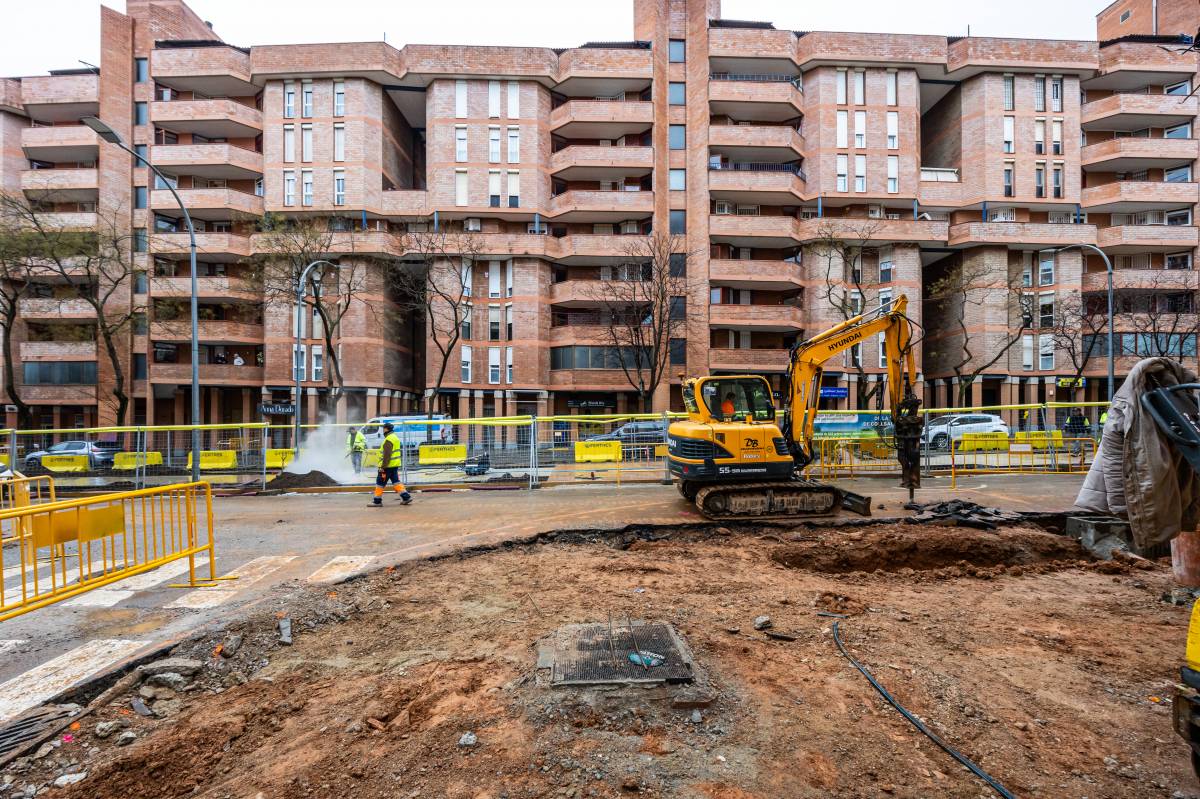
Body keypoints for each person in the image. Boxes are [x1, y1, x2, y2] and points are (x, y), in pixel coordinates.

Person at [371, 422, 412, 506]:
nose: (383, 430)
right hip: (394, 465)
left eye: (383, 428)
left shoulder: (389, 439)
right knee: (396, 482)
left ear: (386, 429)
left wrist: (383, 467)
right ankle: (406, 497)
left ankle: (377, 501)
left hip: (387, 466)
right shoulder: (395, 437)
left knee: (380, 483)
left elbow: (387, 455)